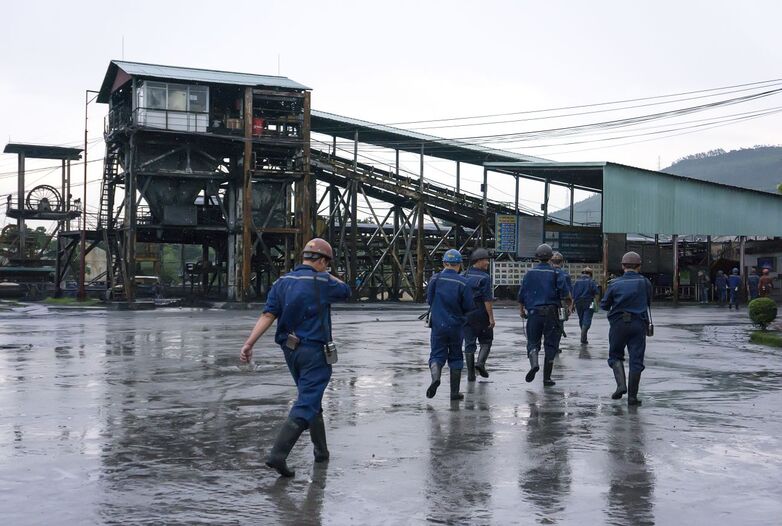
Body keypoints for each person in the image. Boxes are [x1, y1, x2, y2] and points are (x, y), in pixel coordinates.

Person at [239, 238, 351, 478]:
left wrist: (249, 343)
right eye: (326, 263)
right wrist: (327, 274)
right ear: (322, 261)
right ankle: (278, 454)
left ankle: (321, 451)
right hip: (314, 352)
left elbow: (268, 315)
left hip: (290, 351)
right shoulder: (323, 281)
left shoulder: (282, 282)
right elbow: (346, 291)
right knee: (307, 400)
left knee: (310, 396)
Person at [601, 251, 652, 406]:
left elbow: (604, 305)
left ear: (623, 266)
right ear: (639, 266)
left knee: (615, 355)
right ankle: (632, 398)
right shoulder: (645, 282)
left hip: (618, 324)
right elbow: (649, 301)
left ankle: (621, 385)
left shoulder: (614, 284)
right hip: (638, 324)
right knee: (636, 360)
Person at [518, 244, 572, 387]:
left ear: (536, 257)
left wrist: (521, 310)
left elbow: (522, 294)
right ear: (550, 258)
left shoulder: (529, 274)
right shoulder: (557, 273)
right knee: (551, 345)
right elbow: (565, 294)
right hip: (552, 314)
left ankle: (534, 363)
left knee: (533, 342)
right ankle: (547, 378)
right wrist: (570, 305)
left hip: (534, 313)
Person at [426, 249, 474, 401]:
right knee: (455, 357)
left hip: (438, 325)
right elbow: (469, 306)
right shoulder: (463, 282)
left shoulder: (435, 279)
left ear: (444, 263)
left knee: (436, 355)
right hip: (456, 326)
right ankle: (454, 393)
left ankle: (435, 378)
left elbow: (429, 300)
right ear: (459, 264)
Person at [462, 248, 496, 381]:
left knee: (469, 343)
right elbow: (487, 300)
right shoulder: (485, 277)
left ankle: (471, 375)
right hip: (480, 312)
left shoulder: (463, 275)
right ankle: (480, 363)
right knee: (486, 340)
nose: (487, 263)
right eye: (486, 260)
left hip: (466, 313)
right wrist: (491, 318)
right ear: (479, 261)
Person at [549, 251, 573, 353]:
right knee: (560, 325)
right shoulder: (565, 275)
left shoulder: (548, 272)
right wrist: (570, 307)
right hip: (562, 305)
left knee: (549, 325)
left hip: (548, 303)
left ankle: (549, 345)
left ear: (550, 261)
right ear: (562, 262)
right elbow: (569, 293)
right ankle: (556, 346)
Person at [572, 267, 599, 344]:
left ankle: (583, 335)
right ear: (590, 274)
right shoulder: (591, 281)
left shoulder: (577, 282)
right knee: (587, 317)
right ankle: (583, 335)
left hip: (578, 303)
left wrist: (572, 306)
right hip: (589, 302)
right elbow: (596, 293)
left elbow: (573, 295)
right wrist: (595, 304)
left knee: (581, 318)